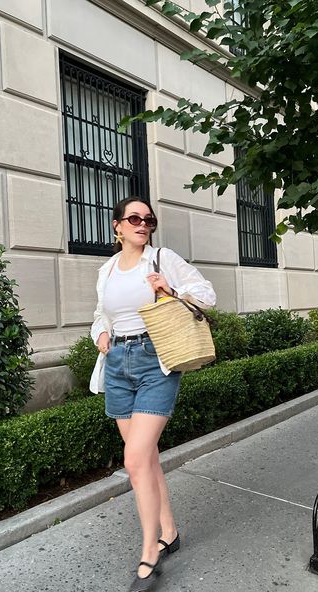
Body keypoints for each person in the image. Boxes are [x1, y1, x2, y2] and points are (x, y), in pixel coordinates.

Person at [89, 197, 216, 591]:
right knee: (146, 459)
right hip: (117, 364)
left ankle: (149, 554)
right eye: (134, 218)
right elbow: (100, 313)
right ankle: (170, 531)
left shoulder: (162, 258)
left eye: (148, 219)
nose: (142, 224)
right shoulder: (106, 269)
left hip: (154, 360)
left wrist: (171, 287)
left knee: (135, 458)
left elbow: (207, 295)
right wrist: (101, 334)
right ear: (117, 227)